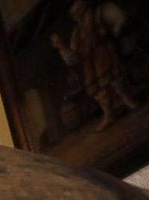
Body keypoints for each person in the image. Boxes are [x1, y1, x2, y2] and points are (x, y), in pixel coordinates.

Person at [51, 0, 138, 131]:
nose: (77, 15)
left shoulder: (99, 15)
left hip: (106, 54)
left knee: (116, 81)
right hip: (90, 65)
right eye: (74, 14)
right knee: (99, 89)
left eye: (79, 11)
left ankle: (128, 100)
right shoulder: (77, 33)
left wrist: (113, 33)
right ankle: (108, 114)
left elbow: (121, 19)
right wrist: (61, 46)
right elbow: (73, 58)